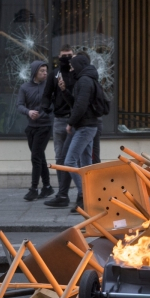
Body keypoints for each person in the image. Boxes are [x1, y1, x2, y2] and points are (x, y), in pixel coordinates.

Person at [51, 54, 99, 212]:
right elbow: (76, 103)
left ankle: (84, 195)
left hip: (85, 126)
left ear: (79, 65)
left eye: (72, 66)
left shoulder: (84, 81)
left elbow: (80, 106)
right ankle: (89, 198)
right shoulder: (83, 80)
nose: (70, 69)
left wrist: (70, 122)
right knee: (85, 164)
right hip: (86, 125)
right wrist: (64, 91)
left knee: (69, 162)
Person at [41, 45, 75, 207]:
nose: (67, 59)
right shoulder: (54, 75)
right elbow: (46, 95)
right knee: (60, 158)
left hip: (74, 120)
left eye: (69, 56)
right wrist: (45, 108)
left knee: (74, 159)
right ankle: (63, 194)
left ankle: (80, 194)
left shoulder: (77, 74)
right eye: (64, 56)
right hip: (59, 119)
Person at [17, 61, 54, 201]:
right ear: (34, 73)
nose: (45, 73)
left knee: (35, 157)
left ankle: (33, 189)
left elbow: (54, 104)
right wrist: (28, 112)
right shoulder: (25, 88)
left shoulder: (49, 86)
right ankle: (47, 187)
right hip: (31, 127)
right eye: (42, 71)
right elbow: (19, 105)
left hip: (45, 126)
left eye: (46, 70)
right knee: (40, 156)